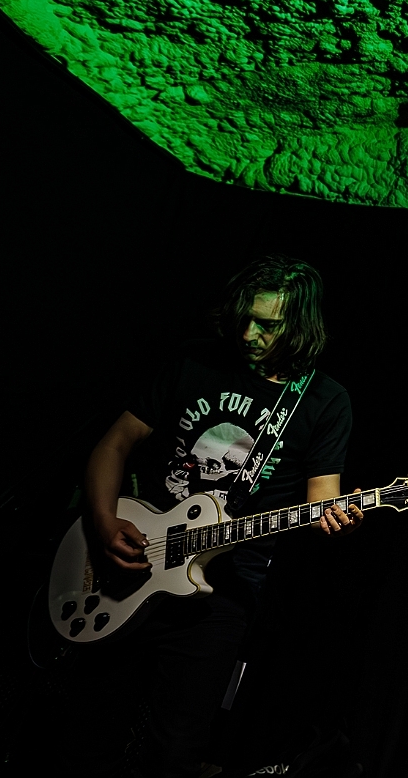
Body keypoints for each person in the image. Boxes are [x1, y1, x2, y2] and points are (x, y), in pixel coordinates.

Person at [82, 254, 360, 777]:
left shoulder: (324, 401)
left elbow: (323, 502)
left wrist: (339, 518)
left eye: (268, 325)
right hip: (128, 565)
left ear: (300, 326)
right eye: (245, 319)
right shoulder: (196, 362)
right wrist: (102, 521)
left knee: (173, 752)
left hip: (220, 595)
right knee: (87, 732)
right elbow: (114, 443)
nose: (249, 334)